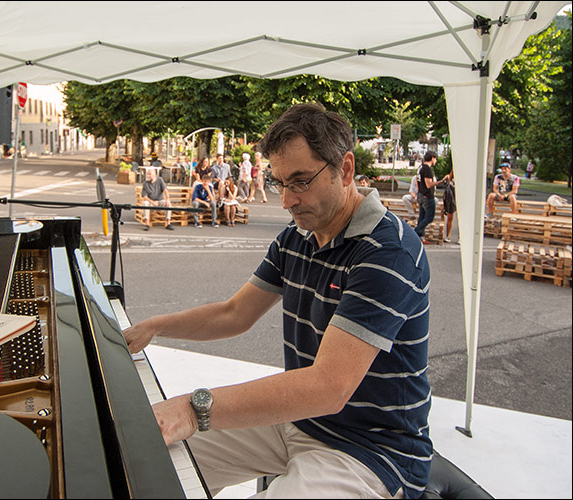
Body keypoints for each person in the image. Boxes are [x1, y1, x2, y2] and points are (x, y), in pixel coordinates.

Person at [124, 102, 432, 499]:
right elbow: (235, 314)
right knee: (152, 461)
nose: (286, 200)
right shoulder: (297, 236)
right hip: (302, 421)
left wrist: (191, 408)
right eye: (279, 182)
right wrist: (155, 325)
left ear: (347, 169)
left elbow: (328, 387)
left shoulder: (388, 252)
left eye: (301, 181)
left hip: (371, 450)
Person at [414, 151, 445, 244]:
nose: (436, 161)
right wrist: (440, 181)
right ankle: (415, 232)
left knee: (422, 216)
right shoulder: (427, 169)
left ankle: (419, 236)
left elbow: (417, 181)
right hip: (427, 196)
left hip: (420, 194)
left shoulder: (420, 167)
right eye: (435, 158)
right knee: (429, 217)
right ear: (432, 158)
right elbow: (428, 184)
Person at [140, 167, 174, 231]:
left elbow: (165, 190)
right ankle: (147, 224)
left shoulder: (160, 180)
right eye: (148, 174)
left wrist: (167, 199)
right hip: (151, 201)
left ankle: (168, 223)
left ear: (155, 174)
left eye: (150, 174)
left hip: (160, 200)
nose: (148, 176)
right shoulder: (145, 183)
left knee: (168, 204)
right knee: (145, 203)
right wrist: (152, 202)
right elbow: (144, 196)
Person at [442, 170, 456, 243]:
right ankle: (448, 236)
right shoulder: (450, 178)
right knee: (450, 217)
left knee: (461, 218)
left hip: (461, 197)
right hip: (451, 197)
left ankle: (461, 237)